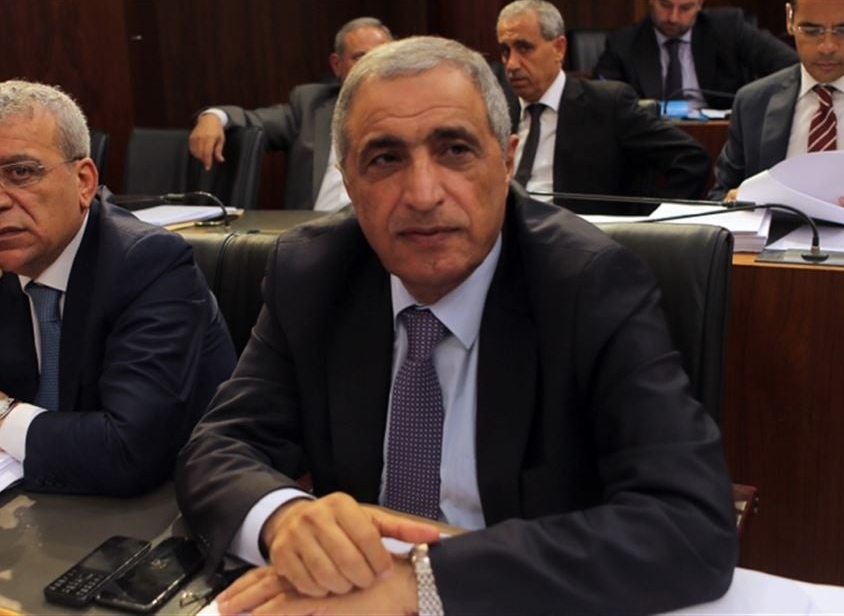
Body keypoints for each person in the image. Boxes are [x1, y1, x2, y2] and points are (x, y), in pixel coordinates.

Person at [175, 35, 737, 615]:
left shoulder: (589, 285)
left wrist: (422, 582)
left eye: (455, 150)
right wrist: (284, 517)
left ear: (508, 159)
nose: (423, 195)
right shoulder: (313, 273)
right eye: (386, 159)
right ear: (347, 178)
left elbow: (690, 524)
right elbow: (219, 446)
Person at [0, 80, 236, 496]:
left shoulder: (149, 263)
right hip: (40, 500)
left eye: (21, 172)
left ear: (84, 181)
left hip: (172, 508)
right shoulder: (10, 265)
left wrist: (2, 414)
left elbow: (127, 452)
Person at [495, 0, 710, 216]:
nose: (511, 64)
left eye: (524, 48)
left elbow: (692, 159)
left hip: (576, 232)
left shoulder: (607, 105)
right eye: (505, 51)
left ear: (559, 49)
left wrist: (656, 222)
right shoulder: (497, 109)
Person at [709, 0, 844, 227]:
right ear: (790, 18)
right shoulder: (753, 102)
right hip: (775, 248)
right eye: (811, 30)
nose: (827, 47)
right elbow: (718, 198)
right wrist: (733, 203)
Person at [188, 17, 392, 211]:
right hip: (317, 226)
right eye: (360, 57)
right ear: (337, 65)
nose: (371, 66)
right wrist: (214, 117)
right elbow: (255, 121)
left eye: (381, 56)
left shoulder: (407, 110)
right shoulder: (309, 105)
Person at [593, 0, 798, 110]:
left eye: (685, 8)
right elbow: (599, 94)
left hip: (721, 139)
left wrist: (758, 106)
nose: (673, 17)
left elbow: (790, 65)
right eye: (665, 5)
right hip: (650, 144)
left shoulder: (728, 28)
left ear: (700, 4)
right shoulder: (623, 42)